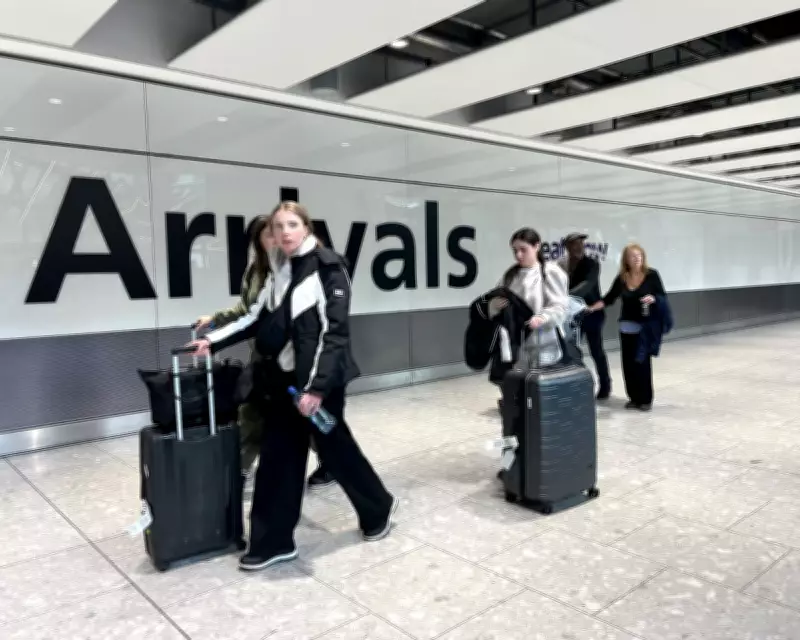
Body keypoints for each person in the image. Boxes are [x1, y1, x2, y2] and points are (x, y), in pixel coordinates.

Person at [187, 201, 397, 572]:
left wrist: (315, 389)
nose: (284, 232)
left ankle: (378, 507)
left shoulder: (328, 268)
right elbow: (255, 317)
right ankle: (273, 542)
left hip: (319, 384)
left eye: (292, 224)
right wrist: (213, 341)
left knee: (335, 451)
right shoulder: (279, 270)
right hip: (285, 383)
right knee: (279, 456)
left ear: (306, 228)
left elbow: (334, 334)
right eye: (278, 226)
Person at [195, 216, 334, 490]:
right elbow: (247, 311)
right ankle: (240, 470)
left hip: (290, 360)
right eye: (271, 234)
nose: (280, 238)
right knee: (254, 412)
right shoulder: (257, 271)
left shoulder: (296, 270)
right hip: (264, 358)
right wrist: (215, 321)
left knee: (296, 415)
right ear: (258, 242)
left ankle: (332, 459)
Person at [490, 227, 569, 407]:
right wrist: (494, 306)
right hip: (517, 346)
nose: (518, 255)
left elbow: (559, 306)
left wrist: (543, 317)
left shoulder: (550, 272)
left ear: (537, 246)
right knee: (519, 393)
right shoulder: (510, 275)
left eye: (523, 250)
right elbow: (494, 300)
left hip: (544, 344)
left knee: (542, 394)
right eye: (515, 251)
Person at [588, 243, 667, 411]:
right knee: (628, 364)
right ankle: (633, 397)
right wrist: (591, 308)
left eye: (639, 255)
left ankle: (645, 399)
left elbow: (662, 296)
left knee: (642, 363)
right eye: (633, 256)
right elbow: (609, 298)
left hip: (644, 327)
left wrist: (653, 299)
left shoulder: (651, 275)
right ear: (626, 260)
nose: (637, 258)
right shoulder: (622, 278)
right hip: (626, 327)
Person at [557, 233, 611, 399]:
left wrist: (564, 297)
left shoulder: (592, 263)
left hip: (592, 313)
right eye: (574, 244)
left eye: (581, 244)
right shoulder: (561, 265)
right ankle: (574, 386)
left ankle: (605, 386)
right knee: (570, 352)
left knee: (596, 351)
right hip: (572, 317)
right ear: (567, 247)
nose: (579, 247)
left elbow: (587, 285)